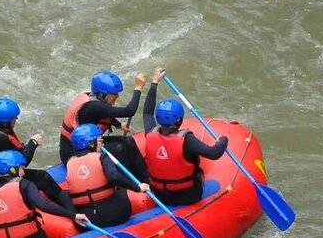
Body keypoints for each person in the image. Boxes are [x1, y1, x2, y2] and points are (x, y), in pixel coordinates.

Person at [0, 150, 88, 238]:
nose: (23, 173)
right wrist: (73, 215)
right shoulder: (24, 185)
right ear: (13, 169)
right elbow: (44, 205)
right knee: (42, 235)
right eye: (21, 168)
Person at [141, 71, 229, 206]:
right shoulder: (187, 140)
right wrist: (223, 139)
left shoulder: (150, 134)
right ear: (179, 120)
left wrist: (154, 82)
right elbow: (215, 153)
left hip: (160, 195)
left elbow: (147, 112)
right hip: (188, 196)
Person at [65, 123, 148, 227]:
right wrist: (137, 188)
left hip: (90, 220)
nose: (102, 144)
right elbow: (114, 176)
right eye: (100, 140)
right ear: (91, 144)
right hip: (115, 214)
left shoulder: (70, 163)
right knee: (121, 189)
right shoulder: (101, 157)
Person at [58, 70, 147, 163]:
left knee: (129, 141)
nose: (115, 100)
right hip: (73, 153)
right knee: (119, 148)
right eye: (113, 97)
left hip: (91, 143)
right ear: (102, 95)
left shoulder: (94, 102)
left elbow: (102, 115)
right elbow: (129, 111)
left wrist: (119, 125)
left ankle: (142, 173)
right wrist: (138, 88)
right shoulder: (93, 106)